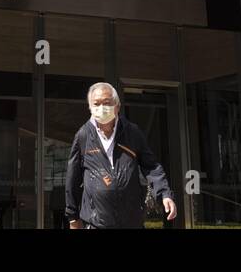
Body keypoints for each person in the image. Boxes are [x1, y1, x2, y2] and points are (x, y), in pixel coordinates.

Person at [65, 82, 177, 229]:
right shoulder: (83, 135)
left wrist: (164, 194)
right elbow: (73, 177)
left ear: (117, 106)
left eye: (107, 103)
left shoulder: (132, 132)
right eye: (96, 104)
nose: (102, 108)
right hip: (96, 223)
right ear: (90, 108)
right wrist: (72, 216)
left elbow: (151, 166)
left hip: (131, 221)